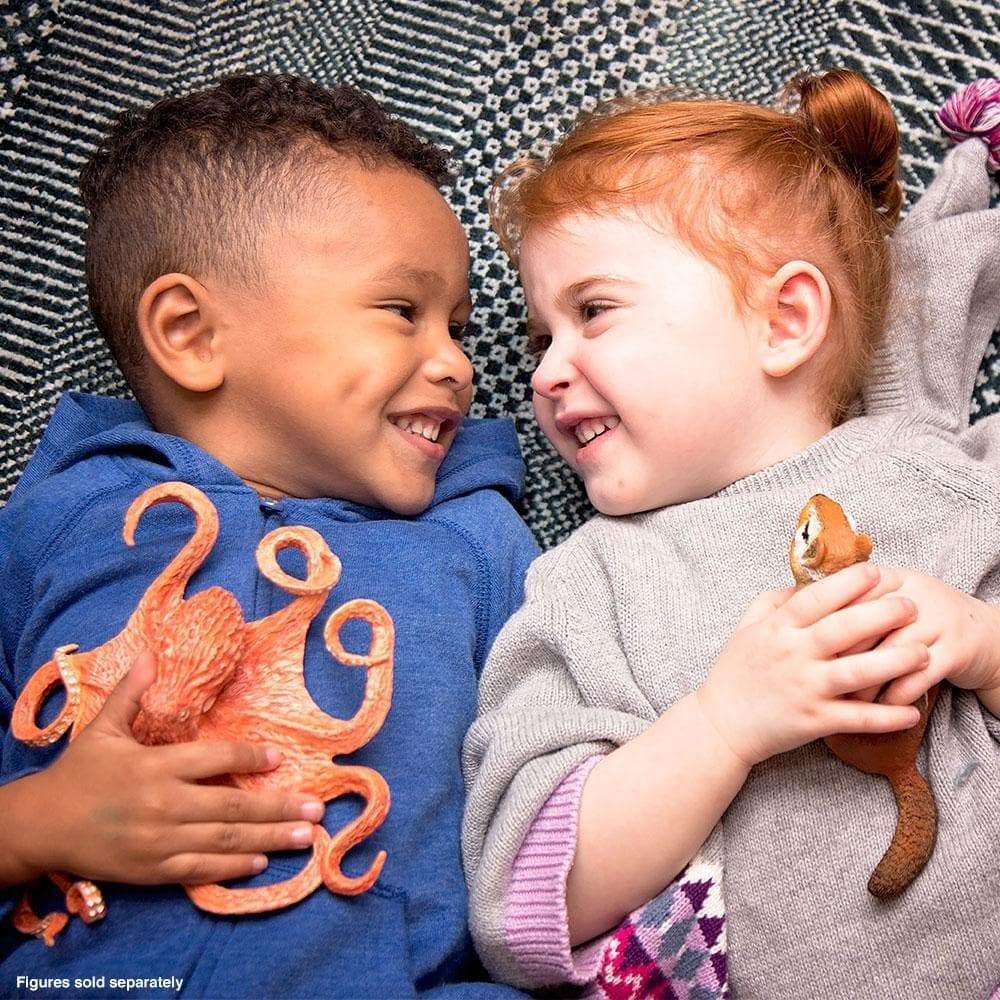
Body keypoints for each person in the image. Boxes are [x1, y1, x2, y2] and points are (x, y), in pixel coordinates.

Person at [462, 69, 1000, 999]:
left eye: (592, 311)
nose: (547, 371)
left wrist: (987, 648)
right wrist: (721, 727)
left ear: (785, 319)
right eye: (541, 333)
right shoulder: (585, 585)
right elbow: (519, 899)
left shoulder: (938, 474)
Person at [0, 73, 537, 998]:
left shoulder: (479, 547)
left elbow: (555, 780)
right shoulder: (58, 525)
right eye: (403, 312)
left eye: (460, 326)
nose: (455, 362)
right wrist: (34, 823)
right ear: (192, 333)